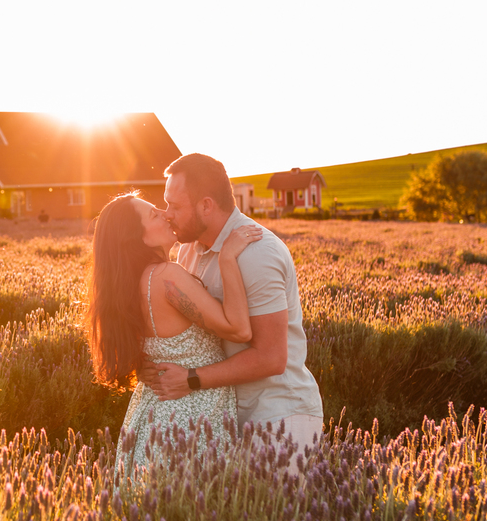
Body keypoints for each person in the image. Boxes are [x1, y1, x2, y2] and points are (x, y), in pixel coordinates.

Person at [138, 154, 324, 470]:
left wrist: (191, 379)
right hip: (220, 418)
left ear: (206, 205)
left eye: (175, 206)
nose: (168, 215)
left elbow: (272, 357)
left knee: (277, 520)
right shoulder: (187, 249)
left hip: (278, 417)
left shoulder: (258, 252)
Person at [85, 192, 263, 477]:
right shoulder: (167, 276)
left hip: (152, 418)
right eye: (155, 214)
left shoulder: (128, 286)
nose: (166, 214)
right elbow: (239, 329)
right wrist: (228, 257)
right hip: (191, 419)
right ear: (137, 237)